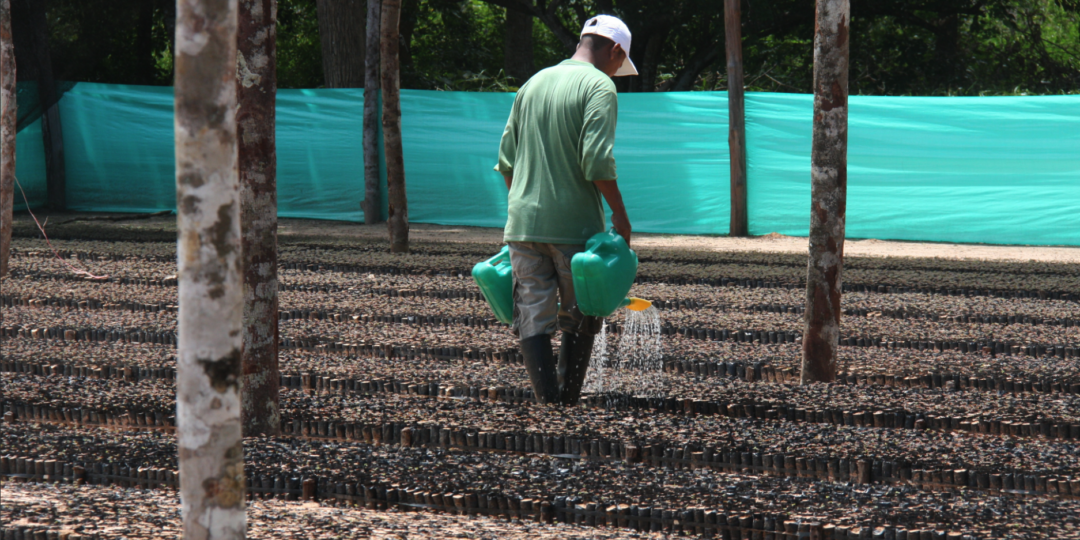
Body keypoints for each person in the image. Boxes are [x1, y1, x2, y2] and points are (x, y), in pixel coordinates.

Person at [494, 14, 635, 406]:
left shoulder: (533, 83)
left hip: (522, 226)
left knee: (532, 314)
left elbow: (506, 161)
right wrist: (620, 216)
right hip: (573, 227)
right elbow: (596, 161)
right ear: (616, 50)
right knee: (583, 311)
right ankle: (568, 402)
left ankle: (547, 404)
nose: (616, 72)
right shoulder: (599, 86)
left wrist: (525, 208)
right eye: (619, 64)